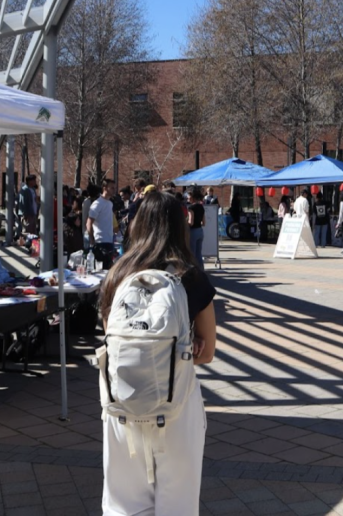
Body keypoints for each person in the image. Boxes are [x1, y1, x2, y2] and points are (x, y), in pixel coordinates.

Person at [99, 191, 216, 515]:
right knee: (177, 503)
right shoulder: (190, 277)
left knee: (123, 503)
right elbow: (208, 352)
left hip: (123, 403)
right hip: (175, 403)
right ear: (181, 225)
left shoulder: (117, 276)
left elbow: (111, 338)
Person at [87, 180, 118, 270]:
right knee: (101, 270)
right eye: (112, 188)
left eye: (114, 188)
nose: (114, 190)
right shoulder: (97, 204)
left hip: (109, 240)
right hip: (100, 242)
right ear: (104, 188)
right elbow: (89, 222)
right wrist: (91, 239)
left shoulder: (110, 203)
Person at [187, 187, 206, 268]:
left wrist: (184, 222)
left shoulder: (191, 208)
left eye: (188, 196)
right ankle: (201, 271)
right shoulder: (201, 207)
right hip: (200, 231)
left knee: (192, 254)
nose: (187, 198)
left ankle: (194, 272)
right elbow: (204, 222)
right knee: (199, 254)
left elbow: (191, 222)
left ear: (192, 197)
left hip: (193, 231)